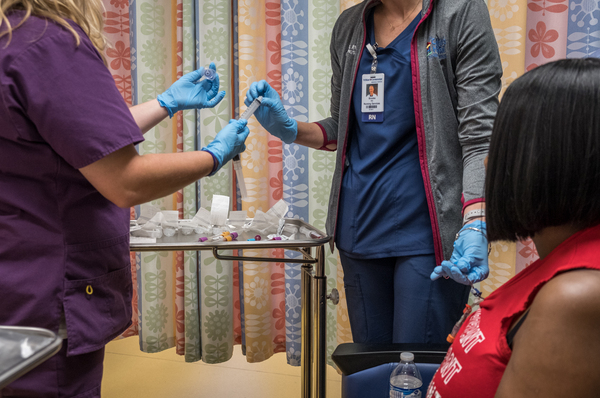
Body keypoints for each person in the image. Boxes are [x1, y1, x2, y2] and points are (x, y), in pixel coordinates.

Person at [0, 1, 249, 396]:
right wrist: (214, 156)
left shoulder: (11, 36)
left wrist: (165, 104)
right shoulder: (50, 42)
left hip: (16, 285)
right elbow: (125, 181)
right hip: (47, 296)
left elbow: (73, 137)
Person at [245, 0, 501, 344]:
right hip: (360, 227)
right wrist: (290, 129)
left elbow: (480, 134)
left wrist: (476, 220)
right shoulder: (350, 26)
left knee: (415, 370)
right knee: (372, 367)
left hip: (427, 231)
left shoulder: (459, 13)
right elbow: (341, 127)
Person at [427, 58, 600, 397]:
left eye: (503, 145)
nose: (489, 162)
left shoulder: (577, 296)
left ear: (549, 160)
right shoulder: (561, 261)